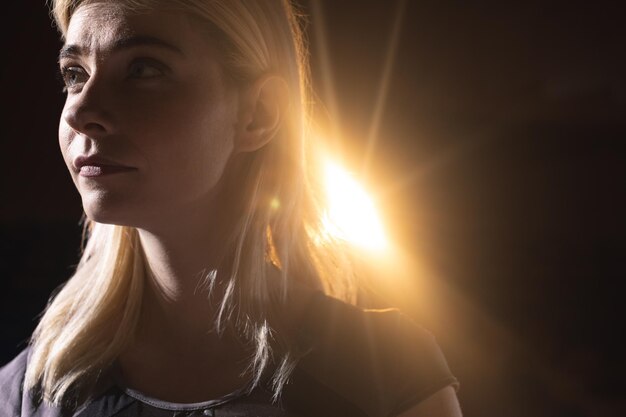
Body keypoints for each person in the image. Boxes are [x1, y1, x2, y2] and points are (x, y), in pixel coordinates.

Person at [0, 0, 462, 415]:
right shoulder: (32, 391)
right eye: (75, 74)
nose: (81, 112)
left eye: (144, 69)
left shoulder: (387, 373)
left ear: (259, 113)